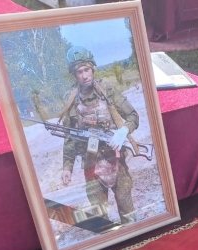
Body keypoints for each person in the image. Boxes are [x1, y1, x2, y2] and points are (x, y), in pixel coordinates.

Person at [59, 47, 139, 224]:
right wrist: (67, 168)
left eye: (87, 70)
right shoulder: (71, 100)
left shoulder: (107, 90)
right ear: (74, 75)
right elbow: (69, 137)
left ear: (92, 68)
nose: (84, 76)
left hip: (116, 162)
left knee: (128, 213)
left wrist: (123, 131)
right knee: (101, 217)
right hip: (91, 166)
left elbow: (133, 116)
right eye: (79, 72)